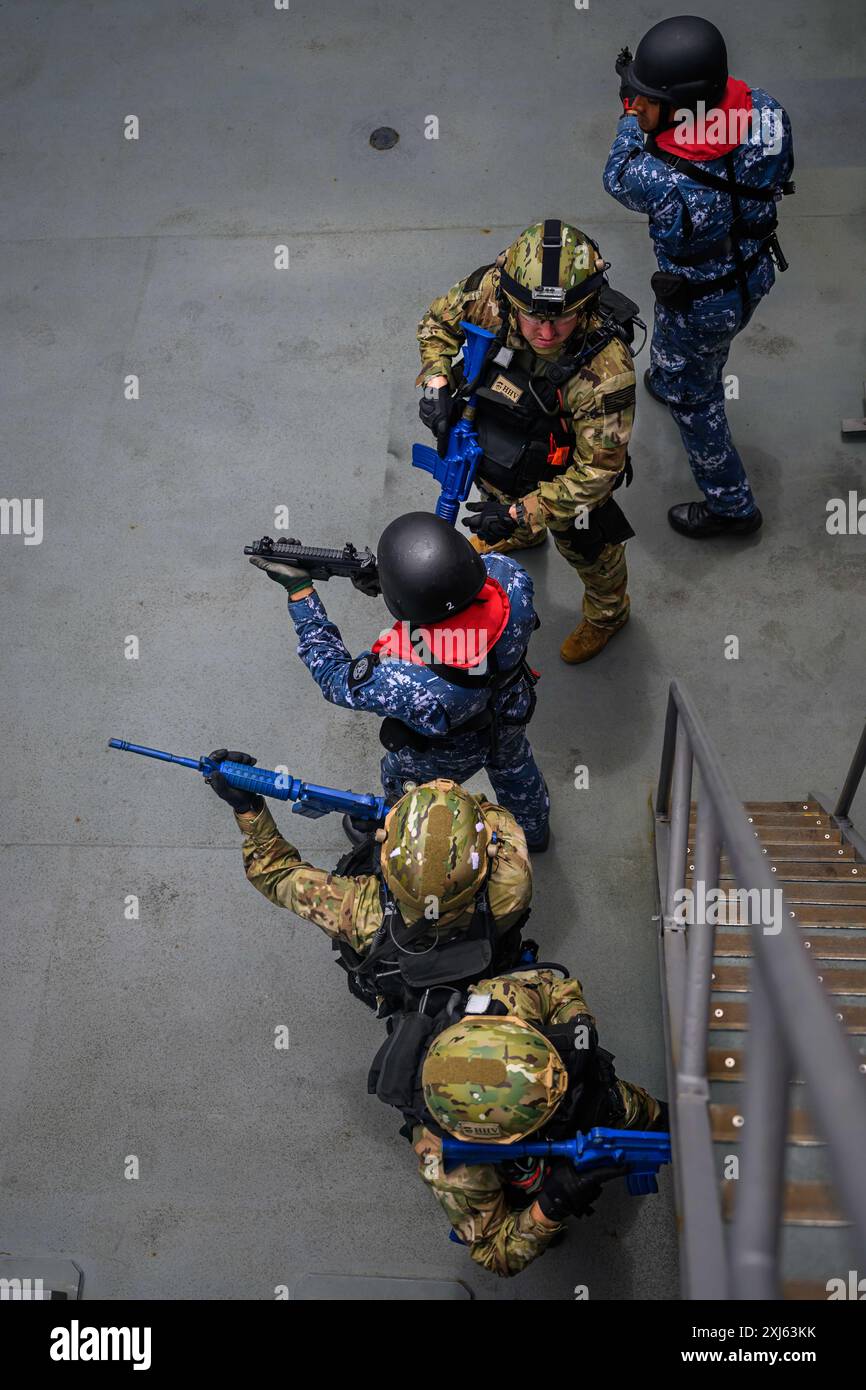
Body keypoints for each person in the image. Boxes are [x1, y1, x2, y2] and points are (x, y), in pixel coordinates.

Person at [249, 511, 550, 849]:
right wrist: (390, 583)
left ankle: (397, 841)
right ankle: (533, 834)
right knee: (514, 765)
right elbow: (457, 584)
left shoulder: (404, 677)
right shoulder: (510, 578)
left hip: (447, 753)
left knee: (404, 787)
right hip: (512, 707)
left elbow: (332, 674)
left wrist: (301, 591)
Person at [604, 14, 794, 537]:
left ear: (685, 110)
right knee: (691, 355)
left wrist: (628, 112)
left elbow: (616, 168)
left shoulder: (657, 179)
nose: (636, 105)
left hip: (700, 305)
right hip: (753, 274)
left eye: (646, 97)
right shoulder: (770, 117)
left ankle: (732, 508)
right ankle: (671, 376)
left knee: (698, 400)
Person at [417, 219, 638, 664]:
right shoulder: (491, 292)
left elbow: (597, 474)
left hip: (567, 477)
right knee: (495, 484)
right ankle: (519, 535)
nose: (546, 333)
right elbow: (437, 323)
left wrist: (522, 511)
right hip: (503, 438)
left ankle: (608, 614)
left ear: (587, 304)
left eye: (562, 318)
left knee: (590, 548)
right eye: (533, 316)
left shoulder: (607, 373)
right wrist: (436, 381)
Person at [367, 964, 667, 1276]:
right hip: (524, 1158)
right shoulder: (449, 1168)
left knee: (628, 1106)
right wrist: (549, 1207)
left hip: (583, 1086)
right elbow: (496, 1255)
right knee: (529, 1200)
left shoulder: (502, 1001)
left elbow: (555, 987)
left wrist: (578, 1022)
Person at [205, 758, 536, 1011]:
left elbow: (274, 873)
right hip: (487, 961)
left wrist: (248, 809)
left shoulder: (358, 912)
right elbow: (488, 815)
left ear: (385, 860)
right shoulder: (513, 881)